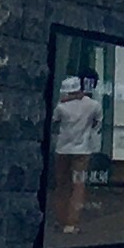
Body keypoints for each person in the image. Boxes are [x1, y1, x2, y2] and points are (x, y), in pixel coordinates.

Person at [49, 65, 104, 236]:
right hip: (82, 151)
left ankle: (60, 219)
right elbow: (97, 124)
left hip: (62, 150)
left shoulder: (61, 107)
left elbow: (54, 123)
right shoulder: (93, 105)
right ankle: (72, 224)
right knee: (78, 186)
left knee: (61, 185)